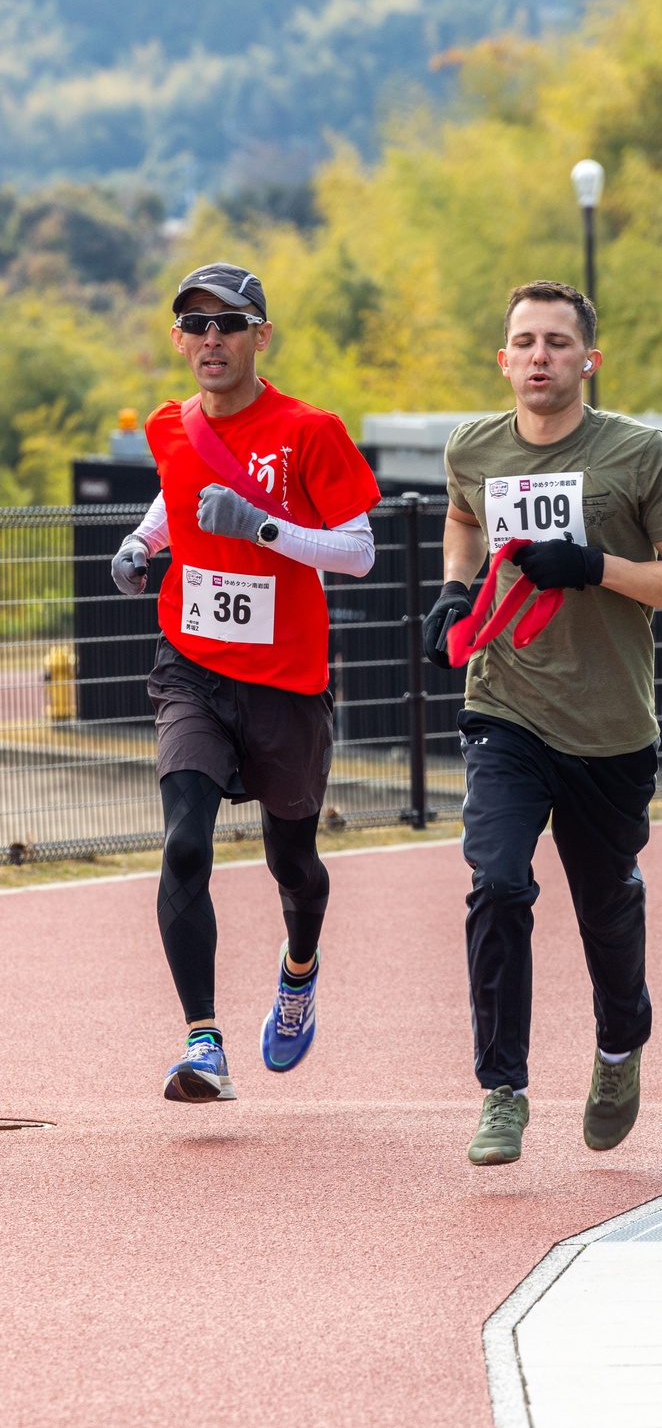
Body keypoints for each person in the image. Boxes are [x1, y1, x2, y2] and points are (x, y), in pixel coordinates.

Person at [422, 280, 662, 1165]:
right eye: (525, 341)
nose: (540, 355)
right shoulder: (473, 445)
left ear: (589, 358)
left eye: (558, 341)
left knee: (605, 910)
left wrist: (594, 565)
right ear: (503, 359)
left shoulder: (638, 455)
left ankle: (620, 1045)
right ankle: (502, 1090)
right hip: (503, 705)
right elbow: (463, 517)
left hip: (610, 726)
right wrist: (452, 588)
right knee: (499, 884)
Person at [111, 262, 380, 1102]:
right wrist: (142, 543)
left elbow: (361, 549)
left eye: (229, 324)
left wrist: (266, 526)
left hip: (286, 682)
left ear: (261, 335)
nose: (211, 339)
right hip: (191, 665)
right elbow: (175, 490)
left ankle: (299, 968)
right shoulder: (171, 424)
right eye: (195, 324)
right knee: (184, 840)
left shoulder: (310, 428)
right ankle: (203, 1043)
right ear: (178, 338)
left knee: (291, 861)